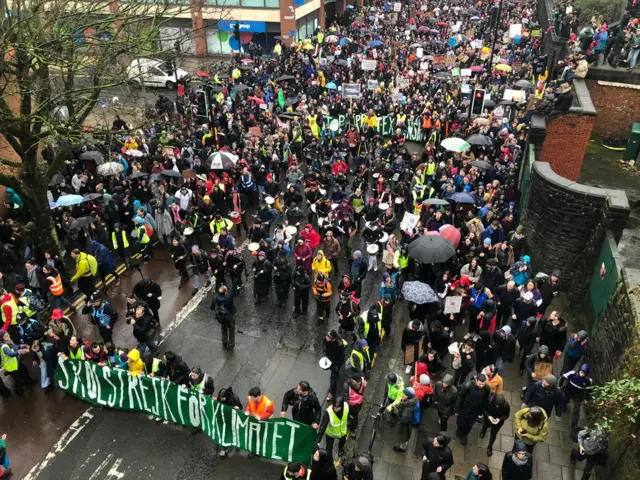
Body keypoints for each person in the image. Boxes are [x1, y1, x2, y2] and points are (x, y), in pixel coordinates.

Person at [455, 374, 490, 445]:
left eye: (483, 384)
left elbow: (485, 400)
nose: (481, 386)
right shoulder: (468, 386)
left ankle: (465, 435)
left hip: (475, 411)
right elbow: (460, 397)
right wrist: (457, 409)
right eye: (480, 384)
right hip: (464, 409)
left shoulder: (486, 388)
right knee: (460, 422)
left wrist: (481, 411)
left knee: (469, 425)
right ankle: (459, 429)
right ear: (476, 380)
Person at [560, 363, 593, 437]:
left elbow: (588, 390)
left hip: (578, 396)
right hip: (569, 391)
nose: (581, 374)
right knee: (565, 400)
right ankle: (563, 407)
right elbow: (563, 377)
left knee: (576, 411)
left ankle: (573, 426)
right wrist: (560, 386)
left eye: (583, 373)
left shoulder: (588, 380)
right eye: (581, 372)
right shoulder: (573, 373)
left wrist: (586, 399)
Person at [0, 329, 31, 395]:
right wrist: (22, 351)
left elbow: (15, 346)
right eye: (5, 335)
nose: (8, 336)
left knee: (24, 371)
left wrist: (22, 345)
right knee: (18, 380)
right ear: (2, 338)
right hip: (11, 366)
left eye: (7, 334)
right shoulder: (4, 346)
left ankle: (28, 382)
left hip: (16, 363)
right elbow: (11, 354)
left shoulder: (8, 341)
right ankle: (19, 392)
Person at [392, 387, 420, 453]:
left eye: (405, 394)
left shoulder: (409, 409)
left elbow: (404, 420)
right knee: (404, 437)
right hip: (406, 425)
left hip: (405, 426)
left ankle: (402, 449)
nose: (402, 395)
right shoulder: (408, 402)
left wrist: (396, 411)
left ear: (409, 396)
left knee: (404, 438)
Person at [323, 330, 347, 400]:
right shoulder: (326, 339)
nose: (326, 337)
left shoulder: (339, 345)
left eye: (328, 337)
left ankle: (331, 393)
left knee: (333, 379)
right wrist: (325, 354)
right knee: (333, 374)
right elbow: (324, 346)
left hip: (336, 362)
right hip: (330, 358)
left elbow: (341, 357)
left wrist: (337, 366)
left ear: (333, 339)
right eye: (327, 335)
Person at [212, 285, 236, 350]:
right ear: (225, 292)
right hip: (229, 316)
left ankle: (224, 341)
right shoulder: (228, 298)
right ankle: (231, 344)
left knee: (223, 328)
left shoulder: (215, 298)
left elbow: (212, 307)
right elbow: (233, 291)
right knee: (231, 329)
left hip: (221, 317)